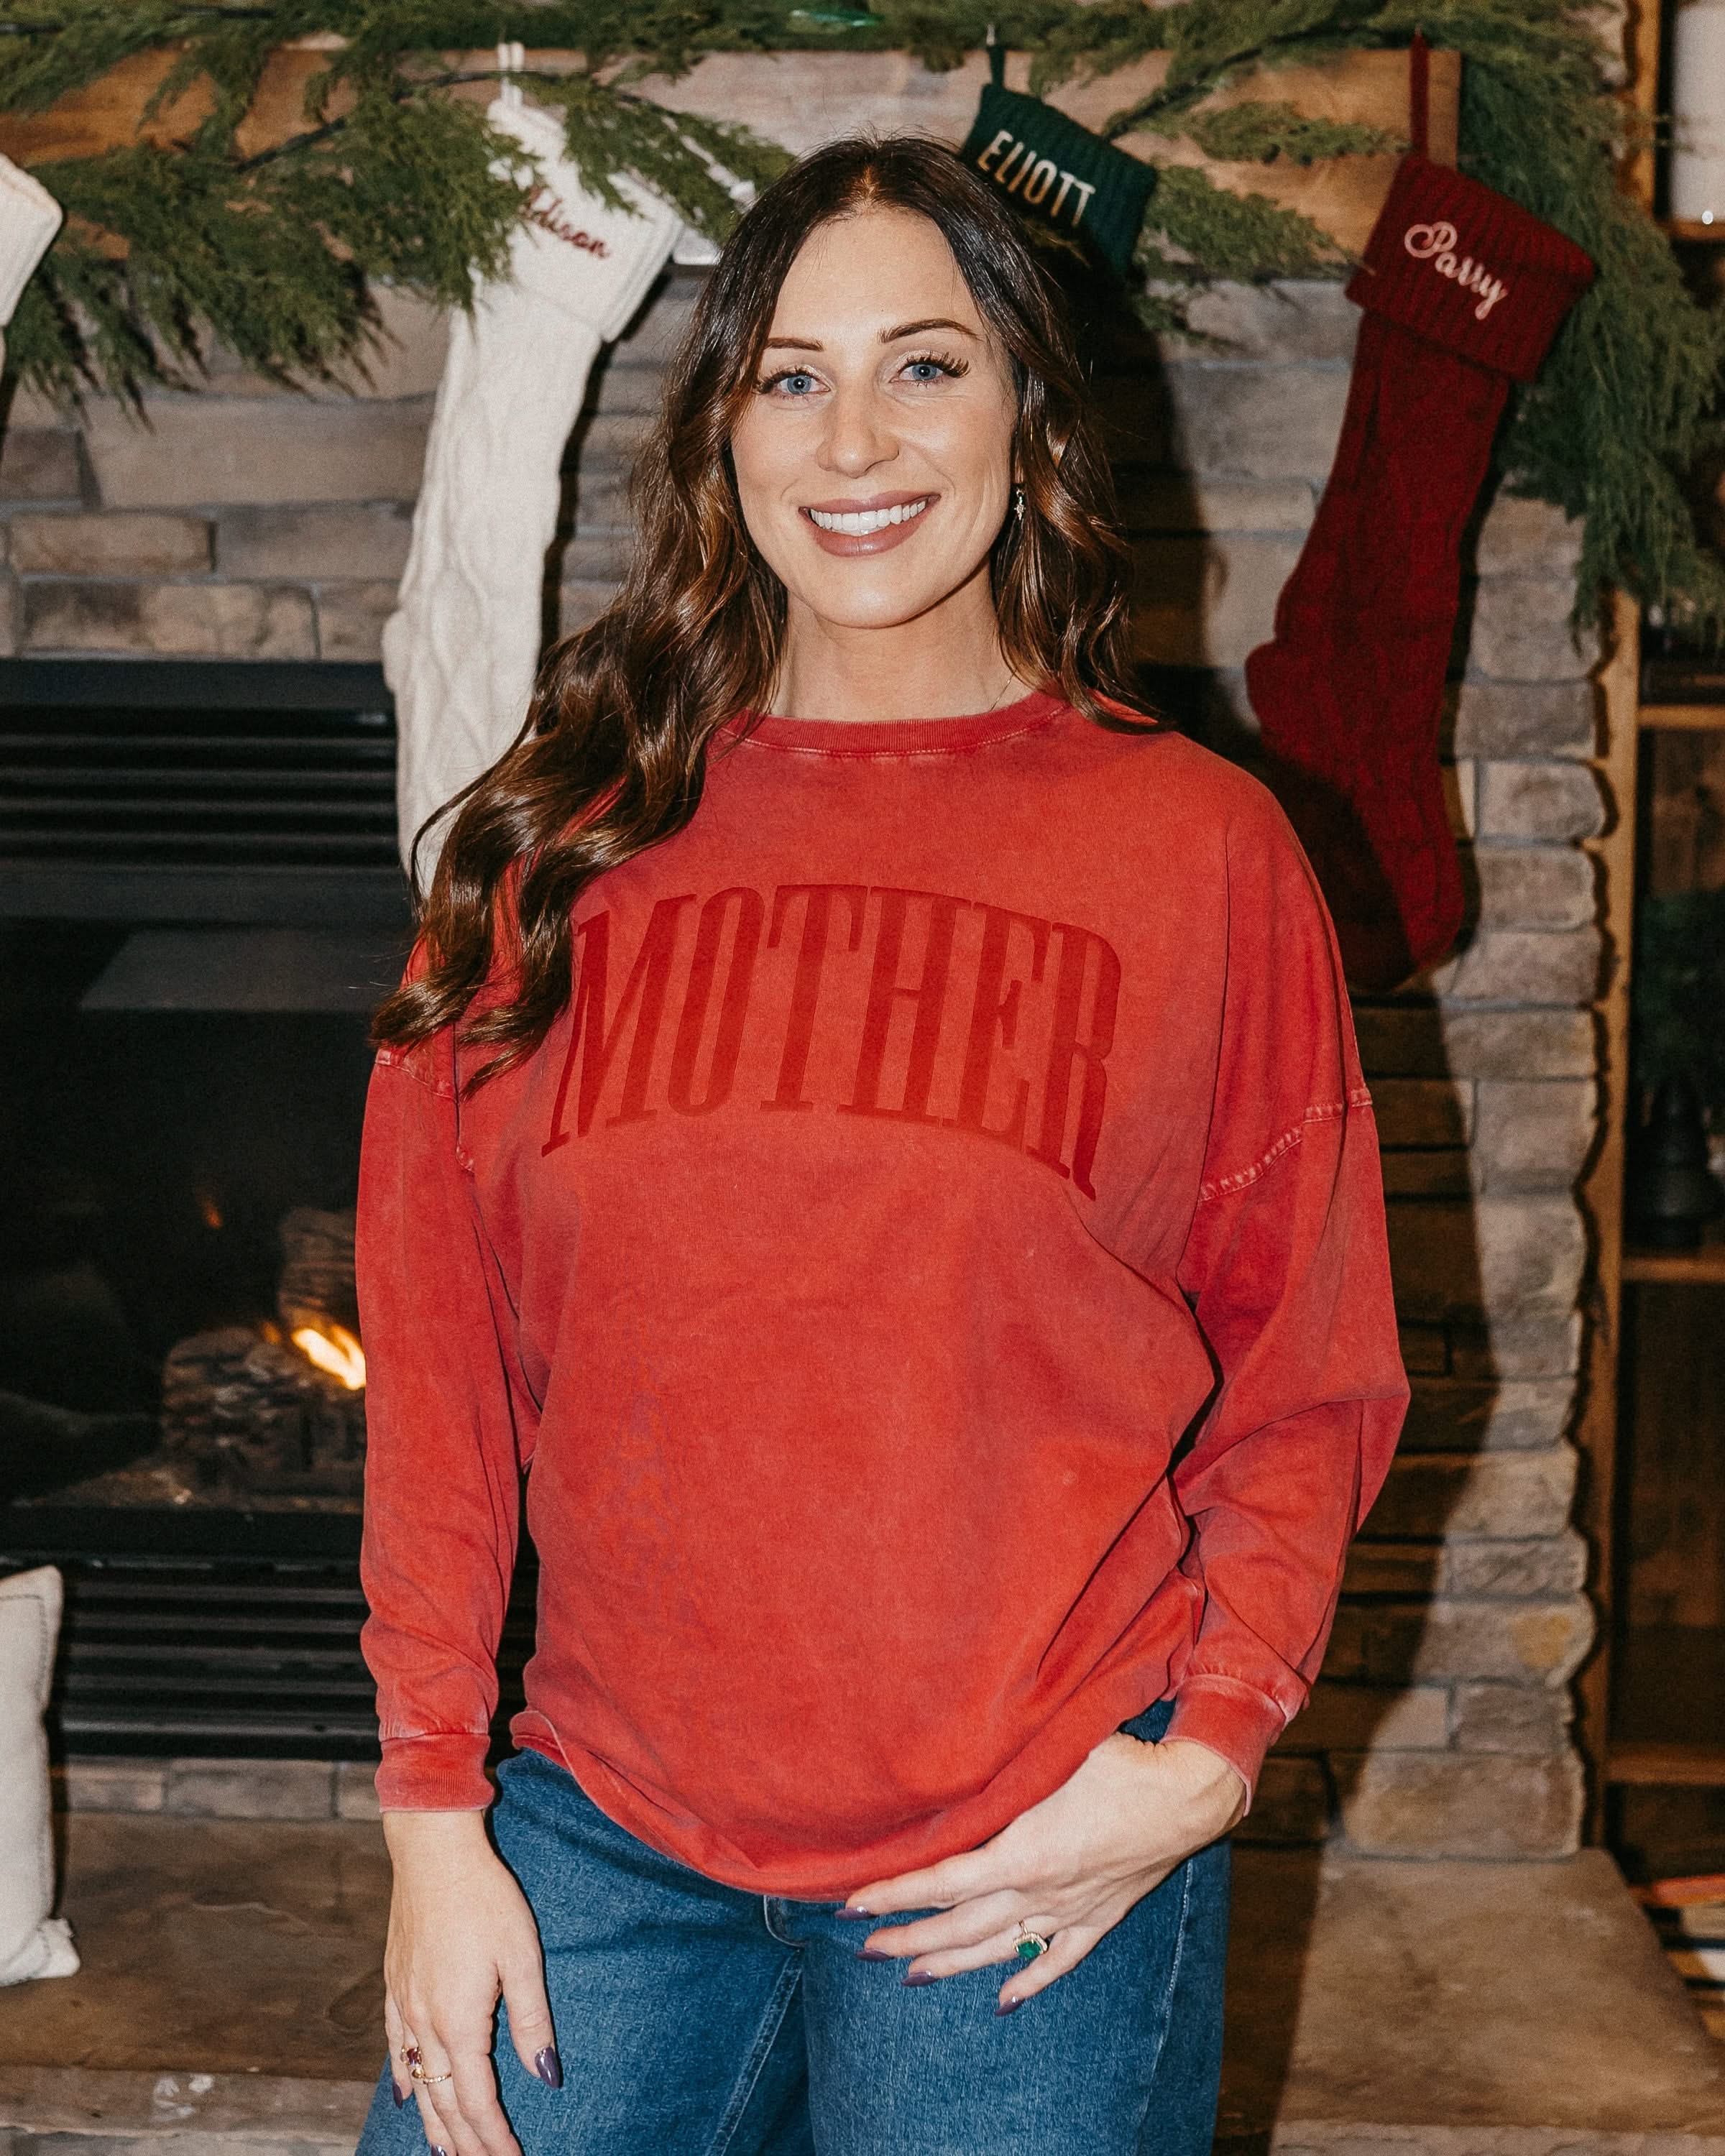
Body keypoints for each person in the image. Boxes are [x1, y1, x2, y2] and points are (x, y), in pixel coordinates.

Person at [351, 133, 1408, 2156]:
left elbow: (1314, 1368)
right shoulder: (548, 853)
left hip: (1027, 1840)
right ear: (722, 430)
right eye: (791, 372)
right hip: (604, 1832)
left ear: (1028, 412)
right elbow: (443, 1375)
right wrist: (428, 1816)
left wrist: (1207, 1758)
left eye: (926, 364)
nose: (858, 435)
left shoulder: (1199, 853)